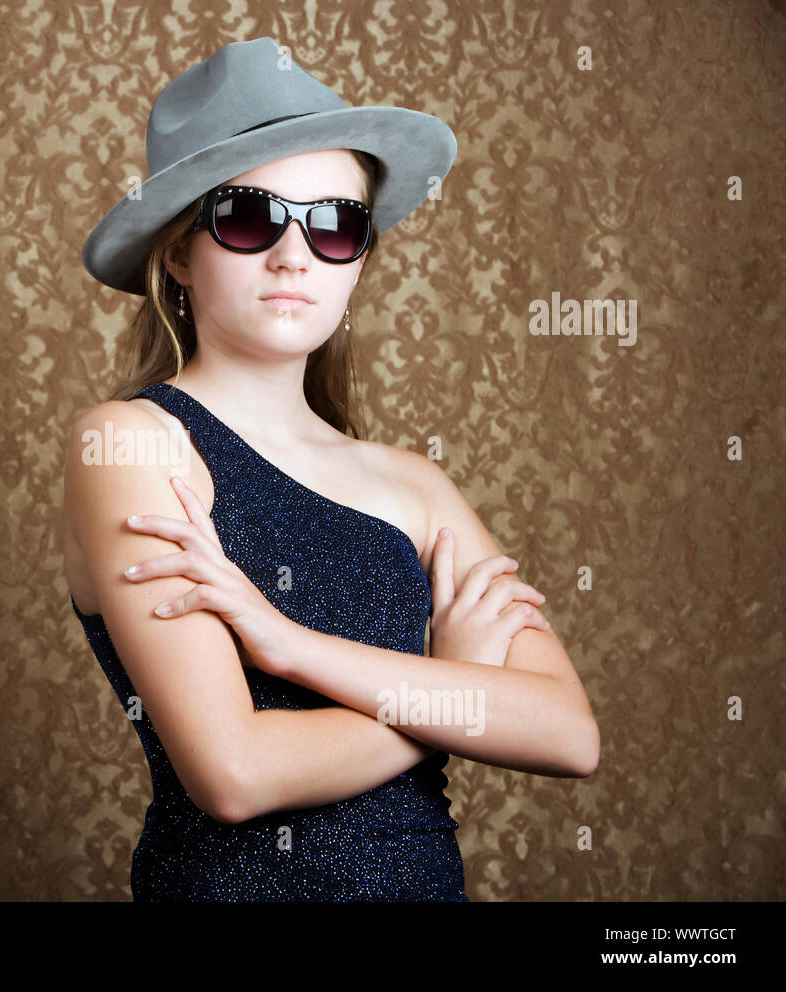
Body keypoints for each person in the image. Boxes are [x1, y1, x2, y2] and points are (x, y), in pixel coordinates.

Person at [61, 37, 599, 901]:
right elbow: (234, 773)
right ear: (176, 255)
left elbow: (569, 735)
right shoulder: (132, 443)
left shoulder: (417, 486)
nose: (293, 255)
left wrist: (292, 646)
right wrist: (452, 697)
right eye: (247, 217)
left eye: (334, 224)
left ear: (357, 260)